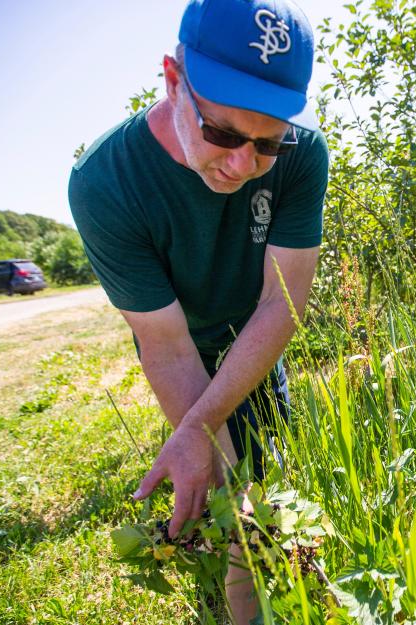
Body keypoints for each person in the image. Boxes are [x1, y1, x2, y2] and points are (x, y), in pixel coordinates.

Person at [68, 0, 327, 621]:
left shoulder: (304, 156)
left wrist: (205, 434)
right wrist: (201, 431)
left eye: (267, 144)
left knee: (261, 496)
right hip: (185, 349)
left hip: (256, 337)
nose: (242, 166)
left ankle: (274, 594)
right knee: (231, 503)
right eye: (223, 134)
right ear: (173, 80)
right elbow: (166, 344)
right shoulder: (105, 182)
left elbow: (281, 305)